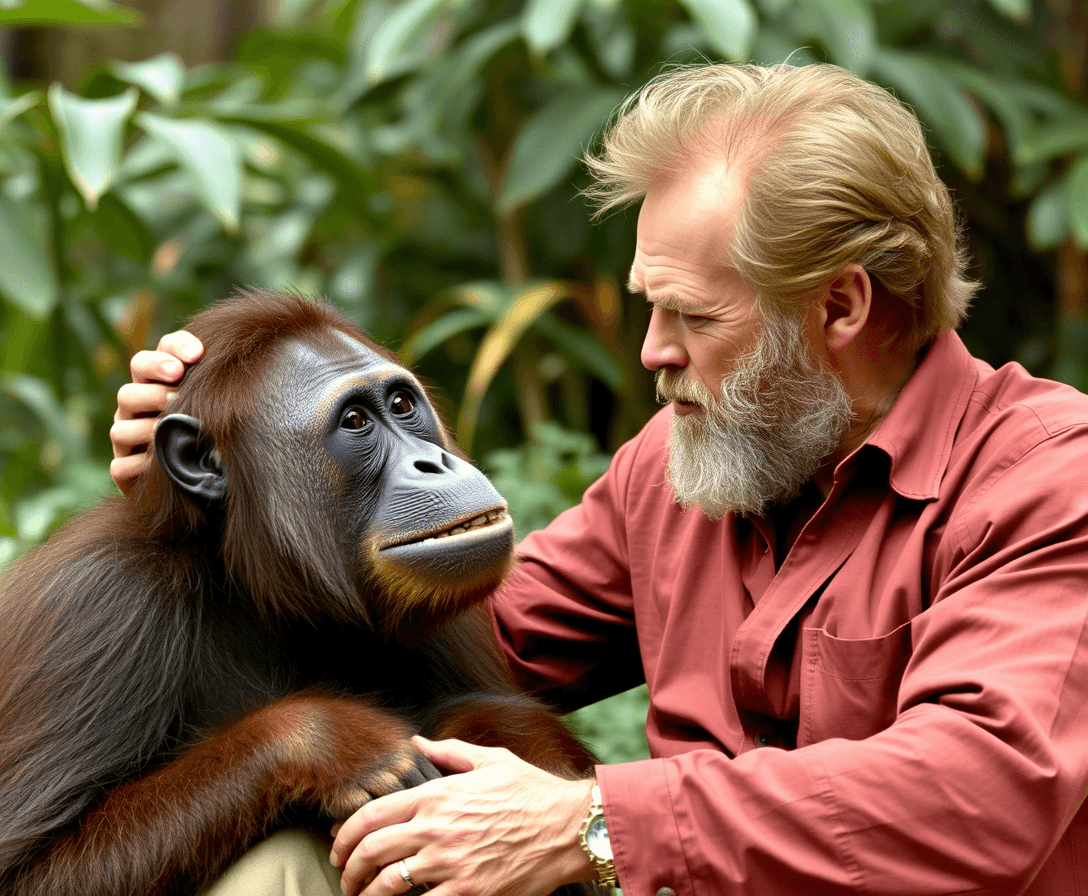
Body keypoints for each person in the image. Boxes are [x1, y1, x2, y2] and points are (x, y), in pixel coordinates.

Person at [111, 63, 1088, 896]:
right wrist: (222, 503)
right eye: (645, 307)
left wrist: (590, 823)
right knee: (281, 865)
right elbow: (435, 657)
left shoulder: (1045, 481)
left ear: (839, 306)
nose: (652, 354)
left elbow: (976, 791)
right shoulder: (676, 467)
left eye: (692, 318)